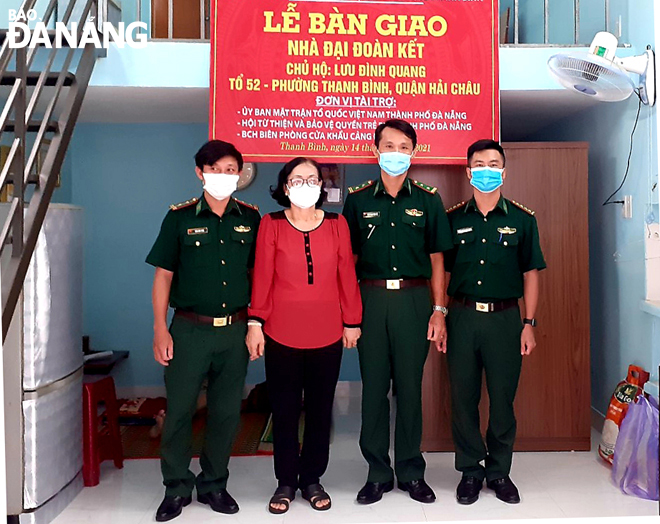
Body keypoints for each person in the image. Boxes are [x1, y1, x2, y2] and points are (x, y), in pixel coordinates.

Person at [146, 140, 261, 522]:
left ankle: (214, 484)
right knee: (179, 410)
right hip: (188, 330)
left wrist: (254, 326)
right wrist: (161, 329)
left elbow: (256, 277)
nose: (225, 177)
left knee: (226, 412)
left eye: (232, 171)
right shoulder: (179, 218)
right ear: (200, 173)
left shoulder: (250, 217)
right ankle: (176, 487)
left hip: (234, 331)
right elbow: (163, 277)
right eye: (217, 170)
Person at [342, 119, 454, 505]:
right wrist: (349, 315)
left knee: (409, 388)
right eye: (388, 145)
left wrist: (439, 311)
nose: (395, 152)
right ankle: (376, 472)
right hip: (370, 300)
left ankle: (410, 470)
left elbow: (438, 261)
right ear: (376, 151)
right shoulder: (357, 200)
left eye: (403, 146)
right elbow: (348, 261)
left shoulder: (428, 199)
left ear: (414, 152)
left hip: (413, 301)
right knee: (374, 390)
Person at [246, 157, 362, 514]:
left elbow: (347, 274)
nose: (306, 184)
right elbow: (262, 277)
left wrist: (352, 320)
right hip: (281, 333)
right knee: (283, 410)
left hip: (328, 333)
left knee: (319, 409)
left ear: (322, 187)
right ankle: (285, 481)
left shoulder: (338, 224)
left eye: (312, 179)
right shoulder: (271, 224)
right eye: (297, 179)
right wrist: (255, 323)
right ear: (284, 186)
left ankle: (311, 478)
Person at [444, 139, 546, 506]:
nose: (486, 170)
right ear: (468, 171)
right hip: (462, 317)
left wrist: (529, 322)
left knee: (503, 400)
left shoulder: (522, 218)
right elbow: (443, 271)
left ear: (503, 170)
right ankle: (471, 471)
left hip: (506, 319)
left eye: (493, 164)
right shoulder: (452, 218)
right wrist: (440, 315)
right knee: (463, 398)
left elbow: (531, 273)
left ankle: (499, 471)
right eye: (479, 164)